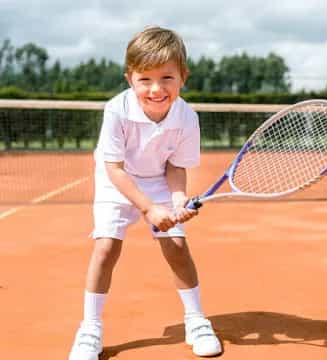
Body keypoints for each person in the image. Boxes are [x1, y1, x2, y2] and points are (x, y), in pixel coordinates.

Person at [68, 26, 222, 360]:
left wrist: (178, 199)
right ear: (129, 79)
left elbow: (175, 167)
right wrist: (150, 208)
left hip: (158, 179)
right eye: (145, 79)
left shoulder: (187, 117)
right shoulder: (117, 110)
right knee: (106, 247)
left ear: (183, 76)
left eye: (167, 78)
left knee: (177, 245)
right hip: (117, 178)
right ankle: (89, 329)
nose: (156, 89)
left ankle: (196, 321)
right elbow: (114, 169)